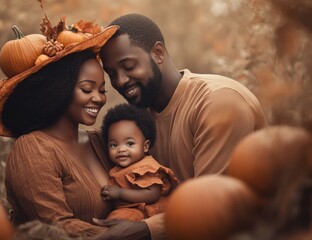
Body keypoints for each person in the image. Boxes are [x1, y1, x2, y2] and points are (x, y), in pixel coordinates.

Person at [93, 13, 268, 239]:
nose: (120, 81)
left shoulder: (218, 102)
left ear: (158, 53)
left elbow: (214, 205)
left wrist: (145, 230)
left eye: (128, 66)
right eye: (112, 74)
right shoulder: (141, 118)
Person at [0, 23, 120, 237]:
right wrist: (125, 235)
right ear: (59, 89)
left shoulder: (97, 141)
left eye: (102, 90)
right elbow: (57, 227)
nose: (99, 98)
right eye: (86, 89)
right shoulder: (32, 149)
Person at [100, 103, 179, 222]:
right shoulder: (118, 168)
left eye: (130, 143)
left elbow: (152, 194)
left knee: (115, 223)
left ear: (145, 146)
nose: (121, 149)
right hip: (131, 210)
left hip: (145, 212)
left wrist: (120, 193)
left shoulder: (146, 166)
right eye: (114, 145)